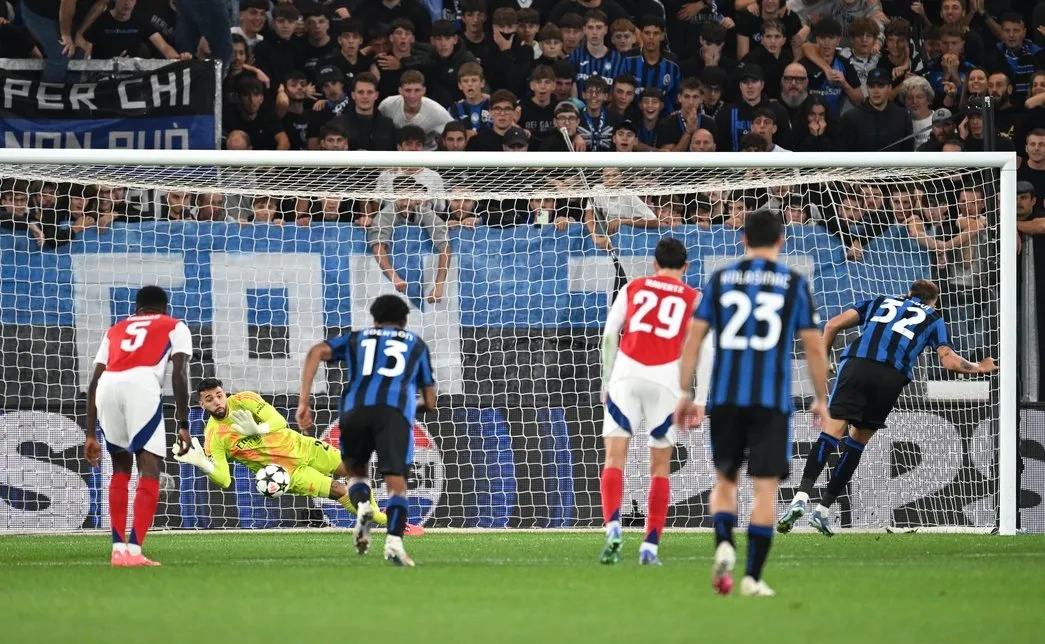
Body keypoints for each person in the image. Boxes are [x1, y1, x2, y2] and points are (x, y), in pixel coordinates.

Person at [674, 208, 829, 597]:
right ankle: (752, 578)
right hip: (770, 400)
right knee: (764, 489)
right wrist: (821, 398)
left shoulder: (721, 279)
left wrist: (685, 394)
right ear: (781, 240)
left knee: (725, 481)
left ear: (742, 240)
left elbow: (692, 341)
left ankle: (724, 541)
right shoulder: (793, 282)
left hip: (725, 397)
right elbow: (813, 346)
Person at [778, 279, 998, 536]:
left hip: (858, 365)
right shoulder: (933, 317)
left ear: (908, 293)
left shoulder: (882, 301)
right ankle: (823, 511)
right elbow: (948, 361)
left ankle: (802, 497)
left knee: (831, 432)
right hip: (891, 376)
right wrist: (979, 367)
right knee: (857, 442)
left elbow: (832, 324)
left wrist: (823, 360)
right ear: (933, 301)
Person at [172, 379, 423, 534]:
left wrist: (258, 429)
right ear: (202, 405)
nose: (217, 401)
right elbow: (225, 480)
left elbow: (278, 420)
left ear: (223, 393)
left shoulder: (245, 400)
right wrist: (203, 463)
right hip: (288, 474)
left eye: (218, 395)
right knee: (339, 491)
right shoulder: (214, 435)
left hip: (302, 446)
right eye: (209, 399)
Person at [297, 294, 437, 566]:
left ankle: (362, 507)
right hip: (393, 415)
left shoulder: (358, 338)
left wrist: (304, 401)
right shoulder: (416, 345)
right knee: (397, 488)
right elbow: (430, 401)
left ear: (373, 318)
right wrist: (410, 407)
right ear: (405, 320)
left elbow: (316, 352)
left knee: (357, 476)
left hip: (354, 413)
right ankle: (394, 543)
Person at [598, 237, 706, 566]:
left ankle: (613, 528)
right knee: (660, 467)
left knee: (614, 459)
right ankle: (650, 546)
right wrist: (700, 399)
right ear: (685, 267)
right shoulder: (694, 298)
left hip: (627, 375)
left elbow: (609, 334)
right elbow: (705, 349)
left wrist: (607, 380)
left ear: (654, 265)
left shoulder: (633, 288)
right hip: (666, 383)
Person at [83, 286, 192, 567]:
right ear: (164, 308)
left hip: (108, 387)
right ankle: (134, 551)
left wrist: (91, 434)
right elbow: (179, 374)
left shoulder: (116, 329)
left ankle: (117, 549)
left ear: (137, 308)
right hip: (141, 385)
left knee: (120, 468)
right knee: (150, 467)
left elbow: (94, 382)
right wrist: (182, 423)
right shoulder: (175, 326)